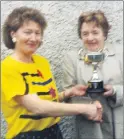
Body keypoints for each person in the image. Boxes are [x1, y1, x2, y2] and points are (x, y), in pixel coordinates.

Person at [1, 7, 103, 139]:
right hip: (26, 136)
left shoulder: (41, 62)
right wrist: (85, 108)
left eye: (38, 33)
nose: (33, 38)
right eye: (28, 32)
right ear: (13, 34)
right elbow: (37, 107)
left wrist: (68, 93)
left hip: (54, 132)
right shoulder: (7, 68)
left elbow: (48, 100)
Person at [62, 10, 123, 139]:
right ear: (80, 35)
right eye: (85, 33)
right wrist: (87, 107)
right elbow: (67, 95)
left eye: (95, 32)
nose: (90, 38)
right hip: (89, 125)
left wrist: (115, 91)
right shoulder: (71, 58)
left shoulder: (120, 54)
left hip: (119, 122)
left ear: (104, 34)